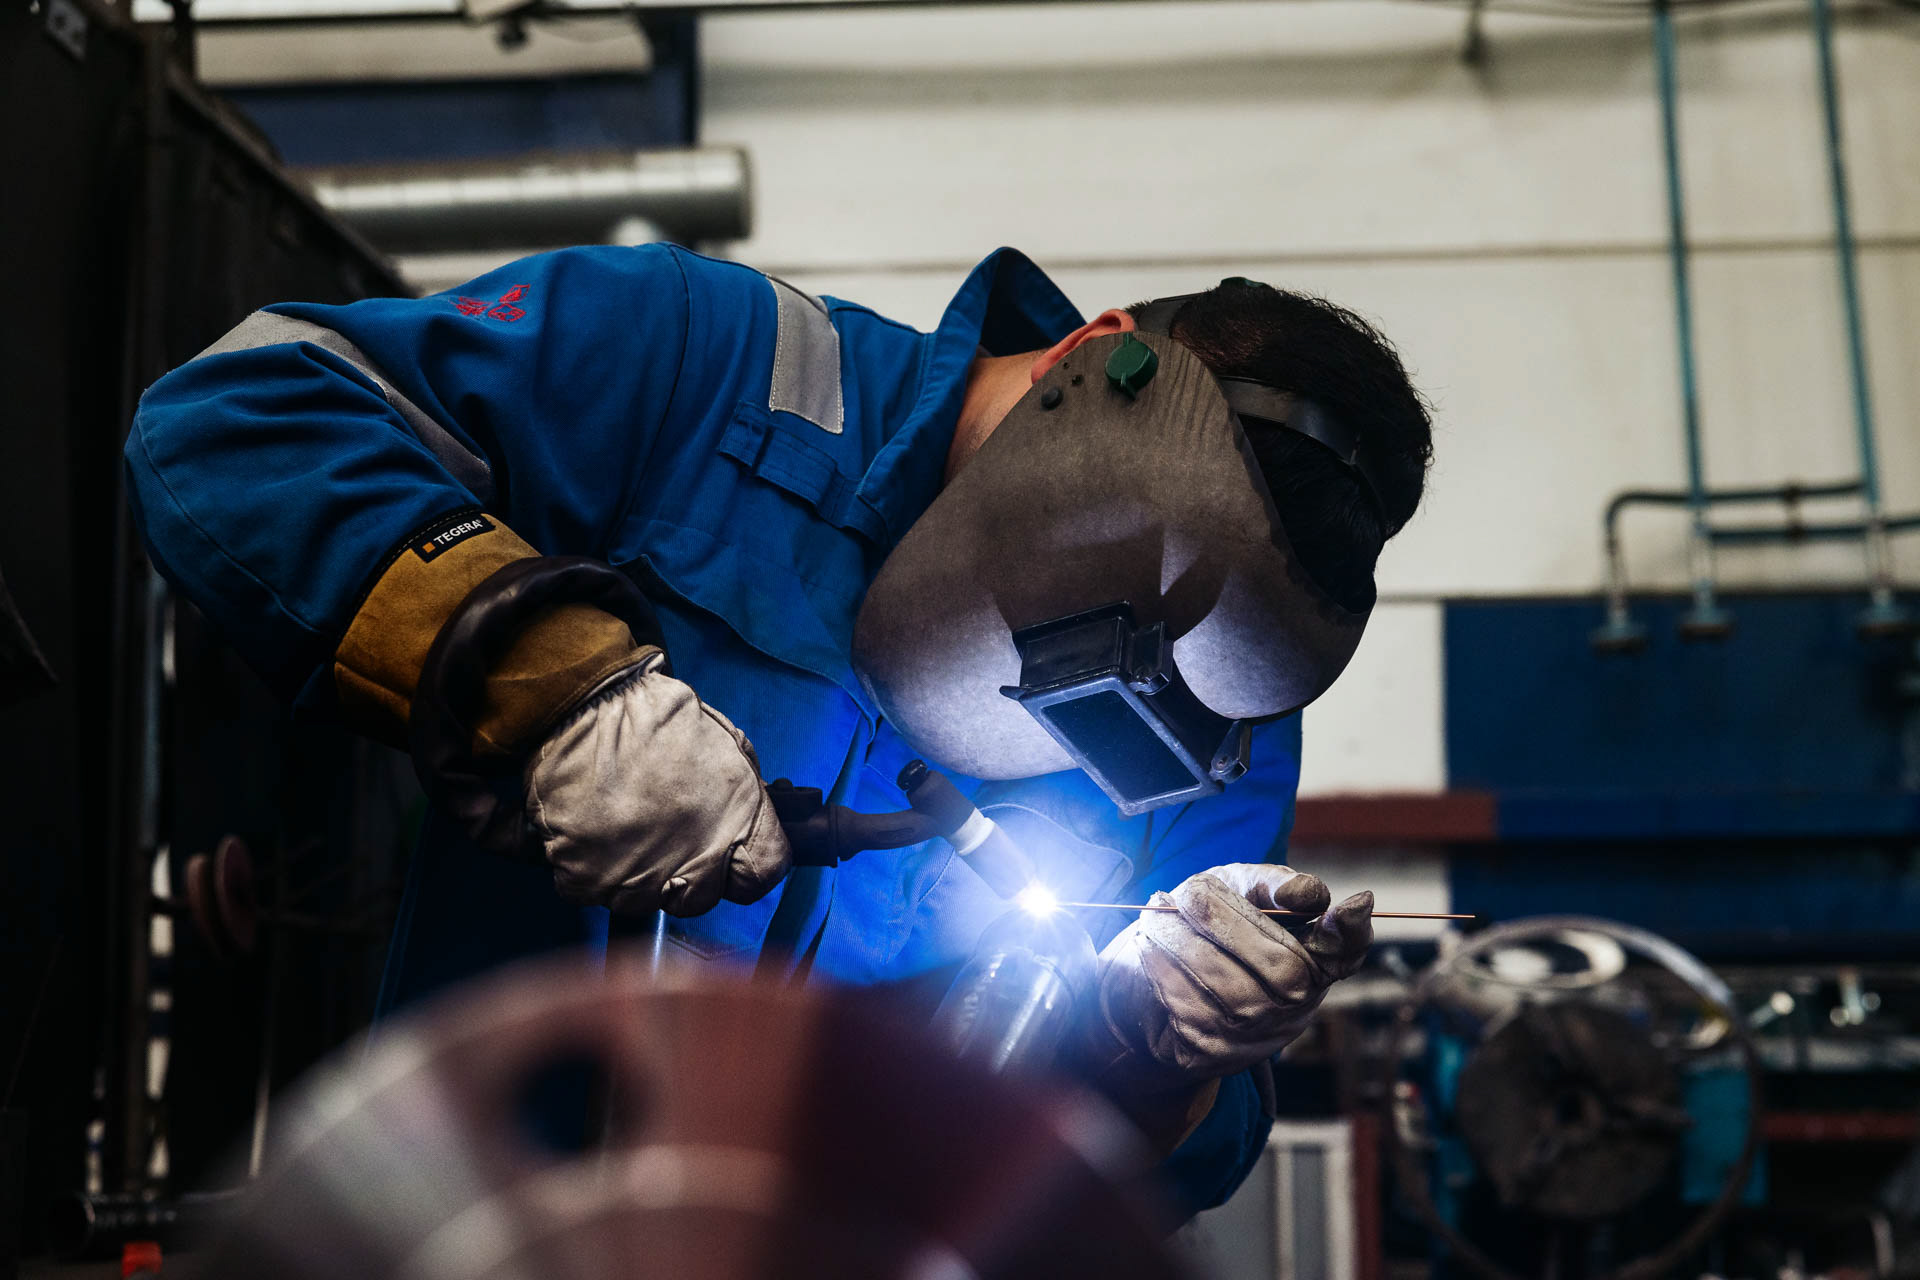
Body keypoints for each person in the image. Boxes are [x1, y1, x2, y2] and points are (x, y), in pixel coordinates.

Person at [123, 244, 1432, 1219]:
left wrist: (1159, 1051)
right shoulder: (711, 365)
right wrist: (551, 682)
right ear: (1084, 362)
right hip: (467, 1223)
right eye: (1112, 593)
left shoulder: (1224, 723)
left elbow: (1177, 1162)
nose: (1113, 689)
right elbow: (242, 413)